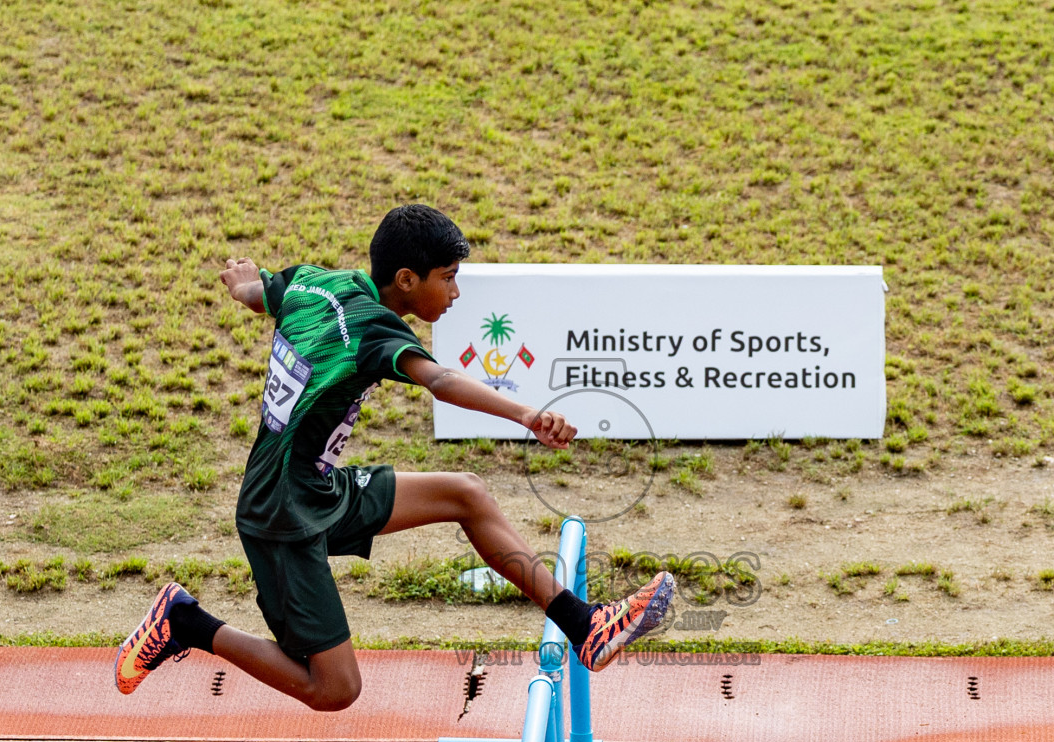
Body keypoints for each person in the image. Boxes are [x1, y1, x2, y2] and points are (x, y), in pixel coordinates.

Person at [113, 204, 674, 710]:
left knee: (467, 493)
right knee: (335, 689)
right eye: (448, 279)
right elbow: (441, 380)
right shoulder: (375, 333)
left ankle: (584, 625)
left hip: (316, 487)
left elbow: (264, 293)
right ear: (406, 280)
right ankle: (185, 621)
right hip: (280, 515)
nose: (456, 294)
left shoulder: (315, 284)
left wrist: (243, 285)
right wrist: (526, 416)